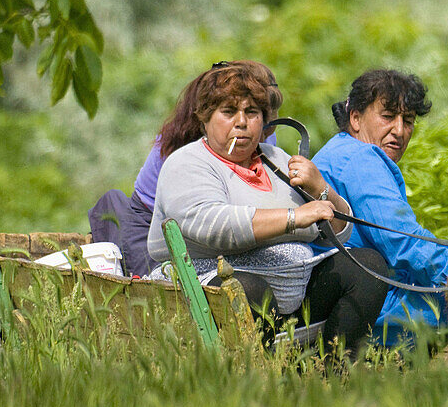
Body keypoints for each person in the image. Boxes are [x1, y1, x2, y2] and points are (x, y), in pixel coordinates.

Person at [144, 63, 389, 354]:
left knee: (368, 266)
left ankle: (334, 371)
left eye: (251, 113)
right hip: (208, 290)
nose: (241, 122)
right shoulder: (187, 163)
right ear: (205, 119)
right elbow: (212, 225)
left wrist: (320, 189)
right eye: (228, 112)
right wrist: (293, 218)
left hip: (291, 293)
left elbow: (333, 233)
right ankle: (257, 377)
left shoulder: (276, 158)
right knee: (248, 288)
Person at [89, 60, 282, 277]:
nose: (248, 123)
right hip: (157, 221)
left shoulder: (260, 138)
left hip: (212, 223)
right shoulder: (185, 151)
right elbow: (205, 220)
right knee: (161, 290)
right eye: (230, 111)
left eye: (255, 112)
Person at [313, 69, 448, 344]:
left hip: (344, 296)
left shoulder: (340, 149)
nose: (400, 131)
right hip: (361, 308)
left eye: (409, 121)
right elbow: (404, 244)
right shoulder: (361, 159)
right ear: (355, 118)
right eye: (388, 117)